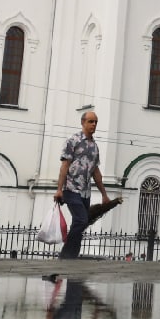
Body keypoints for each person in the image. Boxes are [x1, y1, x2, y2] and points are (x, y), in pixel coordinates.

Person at [54, 111, 113, 260]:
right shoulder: (73, 141)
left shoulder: (94, 147)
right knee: (81, 220)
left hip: (85, 192)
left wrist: (104, 194)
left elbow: (96, 172)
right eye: (90, 121)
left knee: (79, 224)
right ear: (83, 123)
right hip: (71, 188)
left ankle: (71, 257)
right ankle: (65, 255)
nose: (93, 124)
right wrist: (59, 190)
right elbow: (64, 166)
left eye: (95, 122)